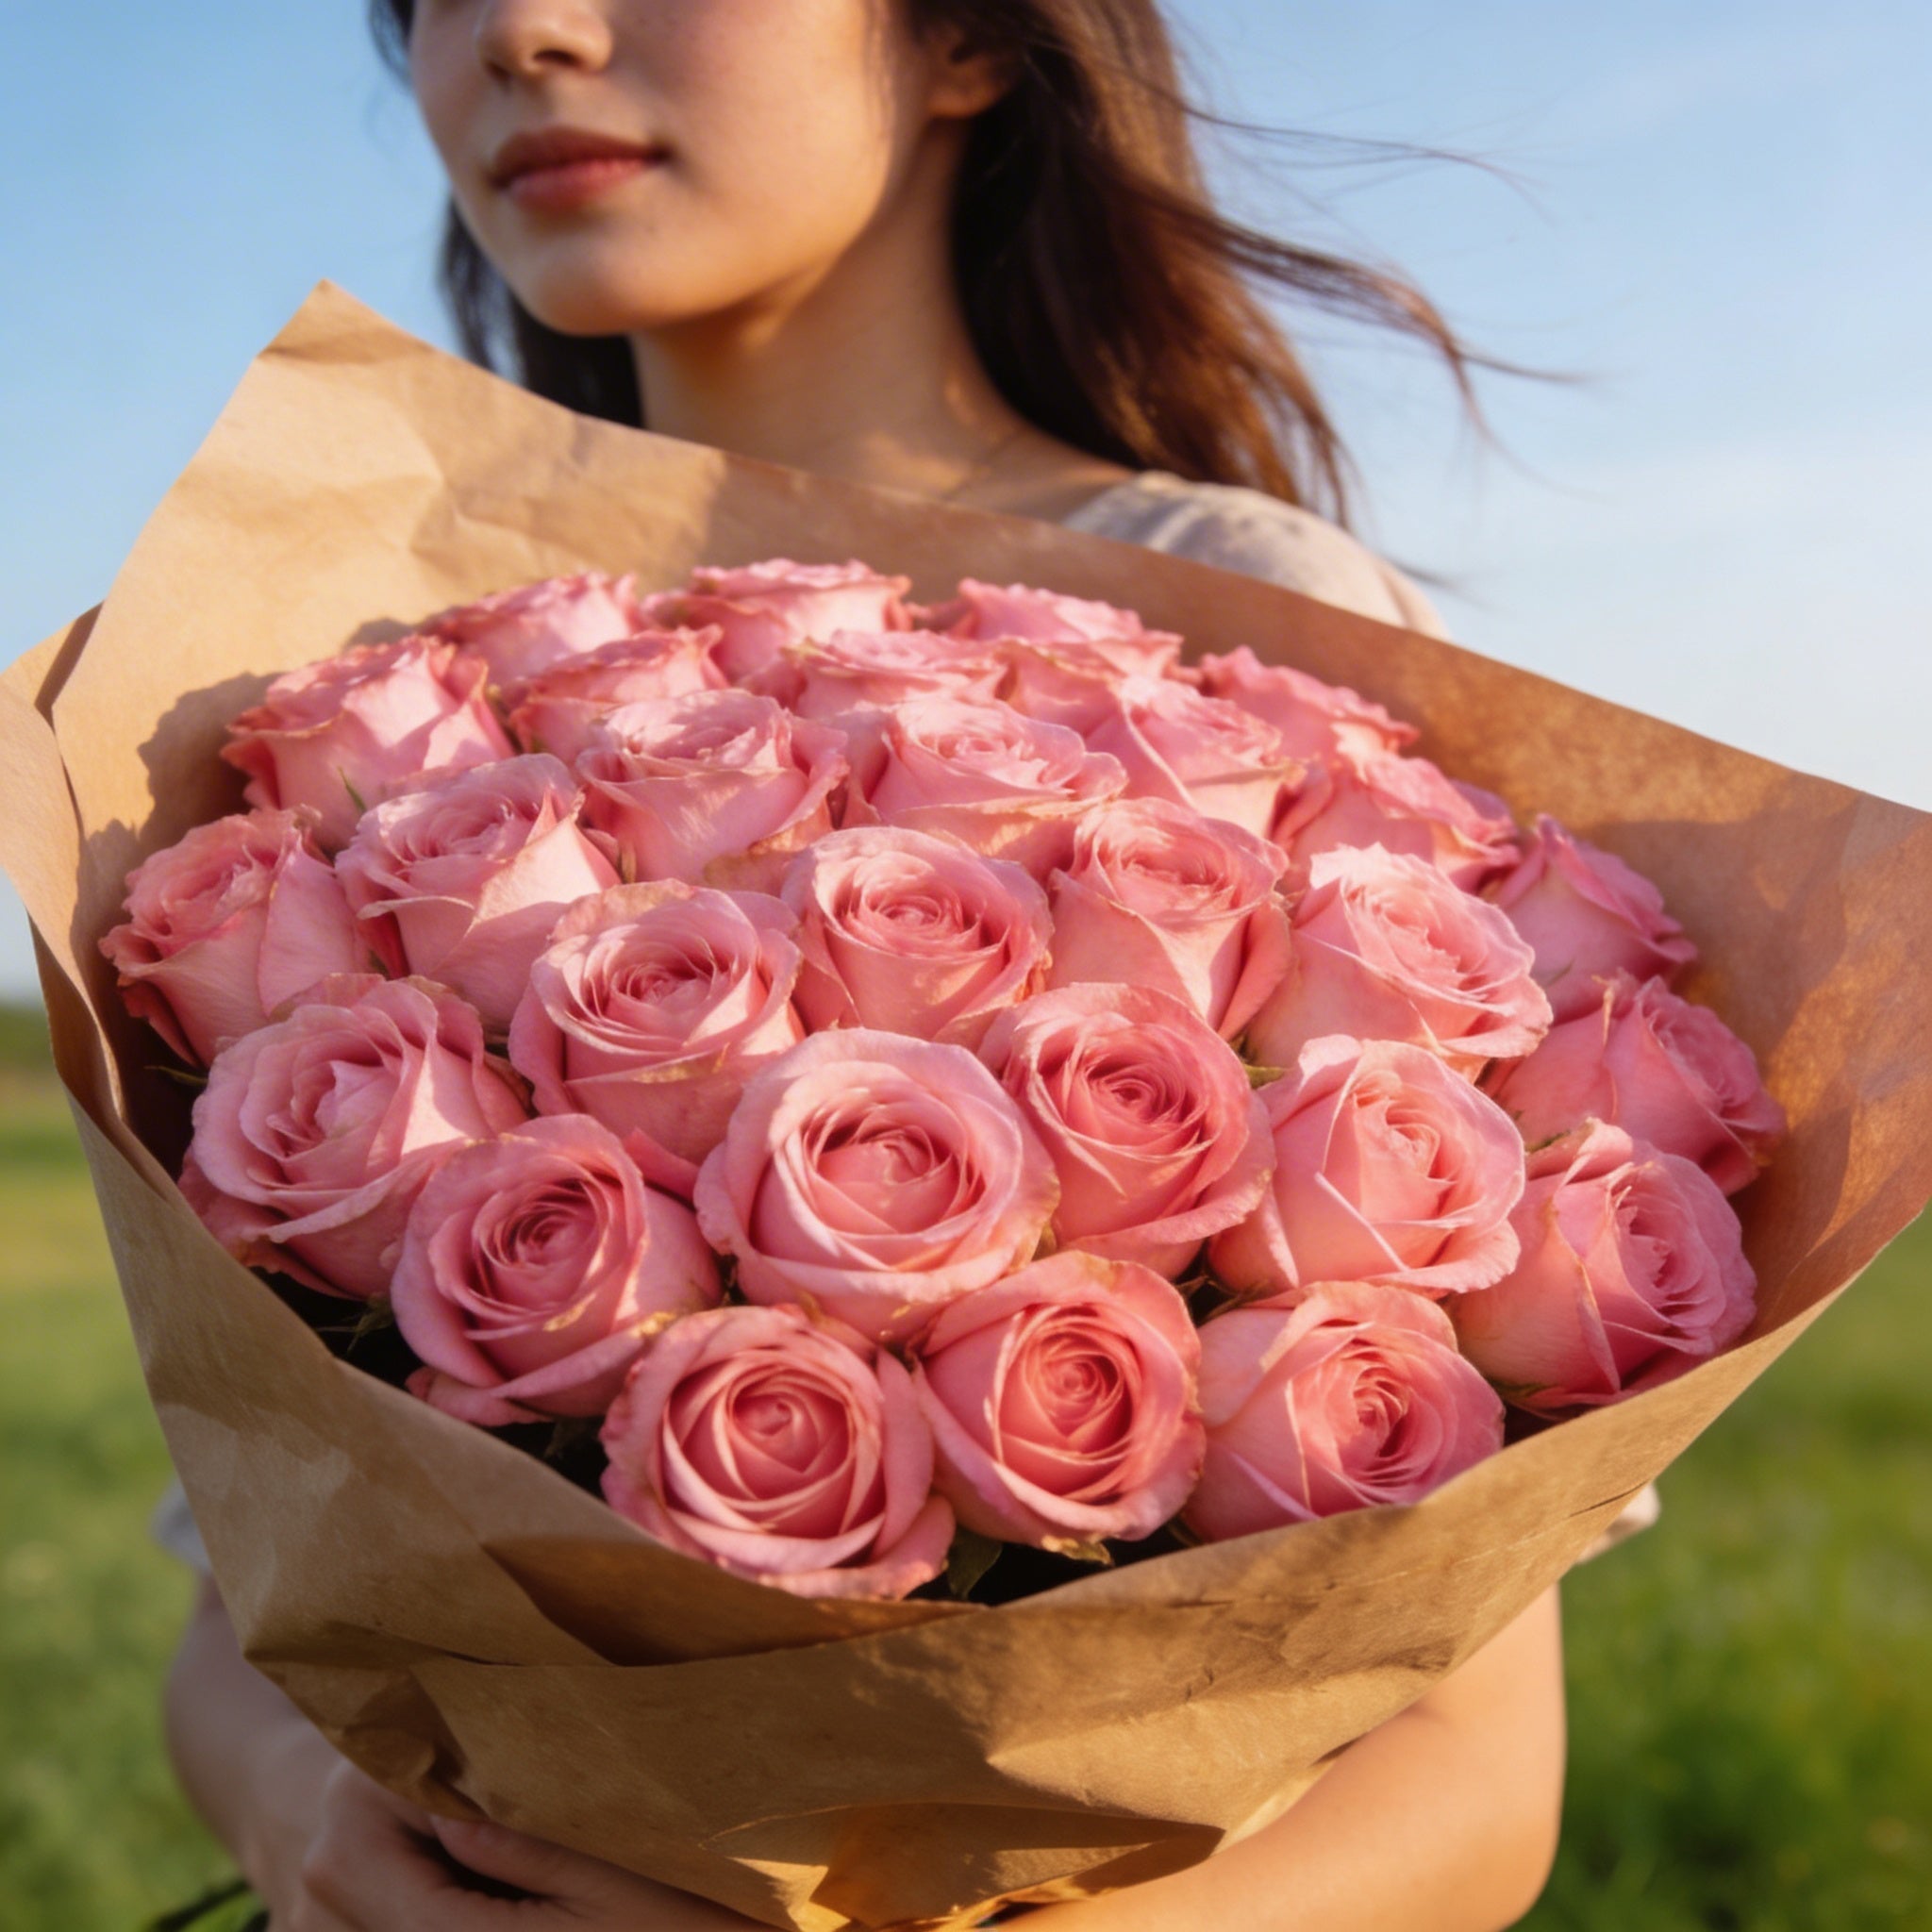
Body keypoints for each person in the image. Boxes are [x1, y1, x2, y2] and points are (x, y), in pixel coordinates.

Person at [159, 1, 1592, 1924]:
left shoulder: (1248, 633)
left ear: (971, 45)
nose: (524, 31)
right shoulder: (387, 730)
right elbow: (235, 1619)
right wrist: (313, 1827)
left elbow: (1474, 1779)